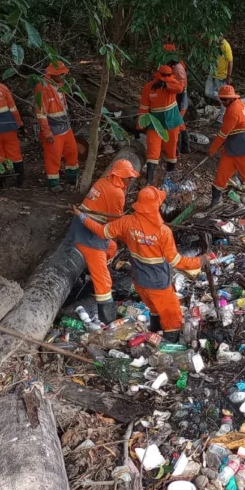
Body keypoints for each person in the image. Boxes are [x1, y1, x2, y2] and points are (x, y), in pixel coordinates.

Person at [77, 186, 202, 342]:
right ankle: (169, 347)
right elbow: (176, 261)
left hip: (140, 282)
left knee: (155, 309)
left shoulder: (127, 222)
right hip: (159, 284)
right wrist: (200, 260)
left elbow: (102, 232)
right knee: (172, 317)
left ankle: (155, 336)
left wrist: (82, 216)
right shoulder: (163, 232)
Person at [69, 159, 139, 324]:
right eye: (128, 177)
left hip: (82, 226)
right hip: (89, 235)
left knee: (112, 246)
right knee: (103, 280)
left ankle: (90, 269)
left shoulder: (103, 182)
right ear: (120, 177)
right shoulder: (116, 193)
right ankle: (107, 319)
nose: (131, 180)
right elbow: (115, 223)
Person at [208, 85, 245, 210]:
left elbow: (223, 134)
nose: (223, 102)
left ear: (232, 98)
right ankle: (215, 203)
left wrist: (212, 150)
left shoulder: (233, 112)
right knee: (221, 175)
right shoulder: (237, 104)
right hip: (232, 146)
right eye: (221, 99)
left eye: (225, 99)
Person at [34, 61, 78, 192]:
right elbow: (41, 113)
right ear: (52, 74)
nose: (63, 76)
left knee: (72, 151)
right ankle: (53, 183)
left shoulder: (59, 85)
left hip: (65, 125)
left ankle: (72, 176)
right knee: (53, 156)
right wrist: (47, 132)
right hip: (53, 129)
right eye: (60, 73)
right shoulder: (43, 88)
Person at [137, 65, 184, 184]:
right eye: (164, 75)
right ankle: (149, 182)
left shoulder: (173, 83)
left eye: (168, 75)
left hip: (172, 121)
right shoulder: (149, 87)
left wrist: (166, 85)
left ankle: (169, 178)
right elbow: (143, 108)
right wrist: (139, 126)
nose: (166, 77)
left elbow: (180, 88)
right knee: (152, 150)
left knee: (171, 149)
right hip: (155, 123)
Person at [163, 44, 191, 154]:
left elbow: (181, 88)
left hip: (180, 100)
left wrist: (178, 104)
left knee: (175, 125)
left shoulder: (178, 68)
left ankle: (176, 150)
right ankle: (185, 147)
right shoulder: (174, 66)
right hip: (178, 100)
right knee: (180, 124)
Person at [204, 35, 233, 122]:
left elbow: (230, 62)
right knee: (208, 92)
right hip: (212, 73)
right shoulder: (213, 42)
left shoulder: (225, 45)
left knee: (223, 97)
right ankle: (225, 100)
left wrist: (228, 76)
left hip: (221, 76)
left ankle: (221, 119)